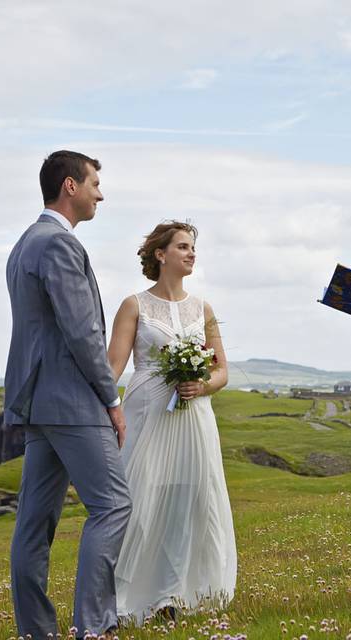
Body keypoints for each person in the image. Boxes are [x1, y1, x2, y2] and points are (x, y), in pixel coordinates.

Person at [4, 150, 132, 637]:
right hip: (72, 402)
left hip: (36, 401)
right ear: (70, 186)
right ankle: (94, 628)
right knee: (113, 506)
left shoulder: (24, 244)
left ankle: (37, 632)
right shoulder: (58, 244)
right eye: (95, 182)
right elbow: (81, 333)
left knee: (34, 526)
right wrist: (112, 399)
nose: (101, 192)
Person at [106, 222, 237, 625]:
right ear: (160, 254)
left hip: (194, 419)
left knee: (188, 499)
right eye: (183, 246)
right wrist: (100, 410)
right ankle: (124, 593)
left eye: (193, 247)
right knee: (139, 501)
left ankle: (172, 596)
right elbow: (112, 367)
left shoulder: (204, 308)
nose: (191, 253)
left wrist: (203, 384)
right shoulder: (134, 305)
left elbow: (222, 372)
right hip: (146, 416)